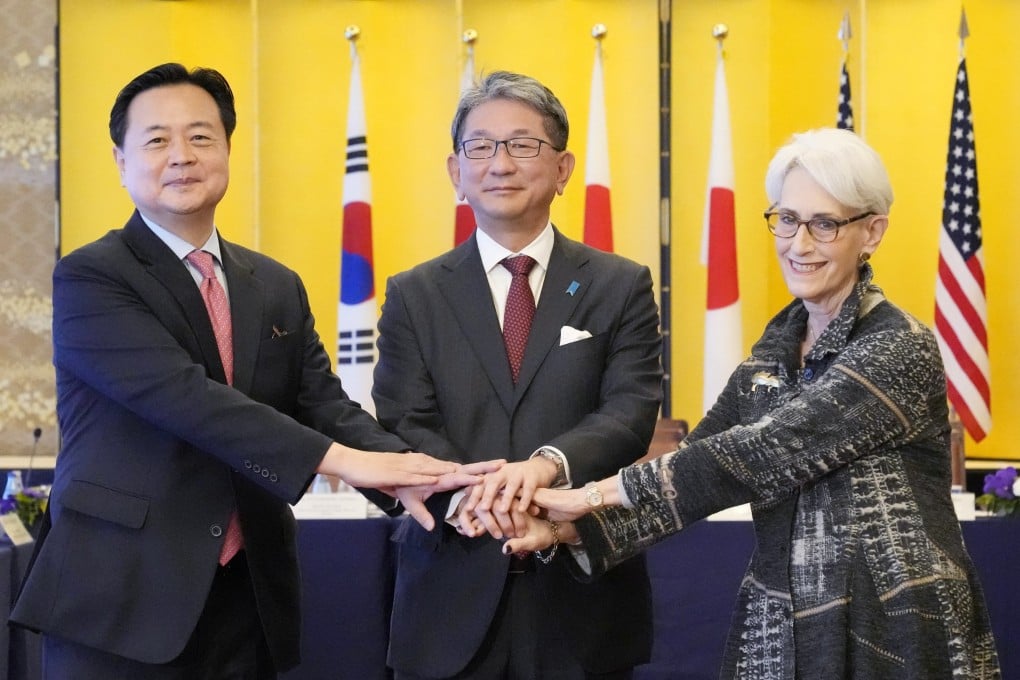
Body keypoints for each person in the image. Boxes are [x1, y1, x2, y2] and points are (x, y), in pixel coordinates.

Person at [10, 63, 497, 679]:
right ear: (120, 159)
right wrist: (349, 462)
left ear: (228, 151)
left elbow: (324, 404)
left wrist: (434, 484)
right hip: (122, 599)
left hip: (249, 596)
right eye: (157, 140)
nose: (181, 156)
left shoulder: (273, 285)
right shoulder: (92, 277)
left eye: (200, 136)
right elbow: (188, 400)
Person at [504, 128, 1002, 678]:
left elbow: (767, 450)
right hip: (781, 622)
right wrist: (565, 530)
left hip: (894, 624)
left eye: (825, 224)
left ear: (872, 232)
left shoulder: (899, 344)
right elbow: (698, 465)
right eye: (787, 220)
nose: (799, 244)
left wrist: (590, 494)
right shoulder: (776, 347)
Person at [371, 71, 663, 679]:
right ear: (456, 172)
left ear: (562, 169)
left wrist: (545, 467)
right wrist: (480, 499)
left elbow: (629, 413)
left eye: (523, 144)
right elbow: (404, 420)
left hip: (584, 592)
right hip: (450, 586)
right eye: (480, 146)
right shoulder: (413, 294)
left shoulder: (620, 284)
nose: (500, 162)